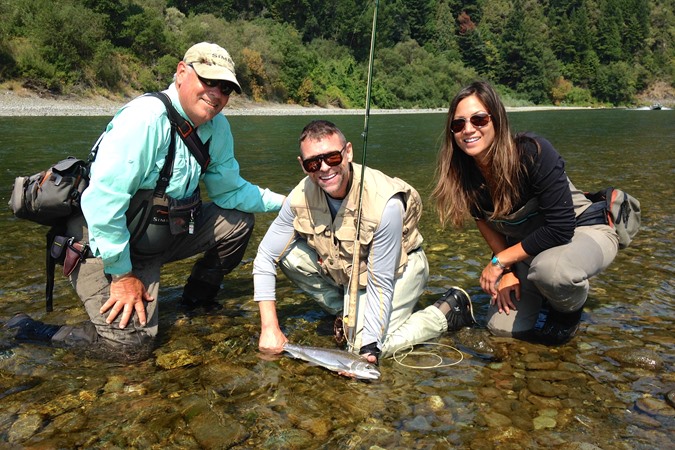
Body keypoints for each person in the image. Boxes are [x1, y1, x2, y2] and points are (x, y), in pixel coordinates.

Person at [6, 42, 285, 361]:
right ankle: (26, 328)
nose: (216, 93)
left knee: (238, 221)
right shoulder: (145, 119)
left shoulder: (218, 128)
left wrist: (289, 203)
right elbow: (103, 202)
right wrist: (123, 277)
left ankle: (195, 304)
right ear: (181, 72)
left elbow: (231, 192)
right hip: (101, 244)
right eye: (208, 81)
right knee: (130, 348)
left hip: (159, 239)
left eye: (225, 88)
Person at [253, 119, 474, 367]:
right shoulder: (299, 197)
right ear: (303, 166)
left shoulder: (384, 203)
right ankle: (346, 314)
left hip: (398, 270)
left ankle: (445, 312)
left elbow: (380, 282)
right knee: (289, 255)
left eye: (332, 158)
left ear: (348, 152)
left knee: (360, 351)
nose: (324, 168)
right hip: (348, 273)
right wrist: (269, 327)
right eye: (313, 162)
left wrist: (369, 349)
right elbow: (264, 257)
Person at [432, 81, 619, 345]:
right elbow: (484, 223)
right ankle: (546, 290)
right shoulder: (464, 173)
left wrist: (498, 263)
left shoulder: (533, 152)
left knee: (554, 272)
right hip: (530, 251)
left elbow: (561, 228)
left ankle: (567, 311)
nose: (469, 129)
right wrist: (507, 270)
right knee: (503, 330)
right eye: (458, 124)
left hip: (582, 231)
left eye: (478, 119)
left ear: (497, 120)